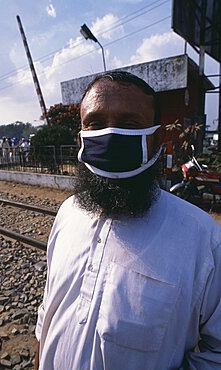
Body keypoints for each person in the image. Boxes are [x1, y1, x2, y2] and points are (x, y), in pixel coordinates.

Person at [35, 71, 221, 370]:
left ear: (157, 138)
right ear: (81, 135)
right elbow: (48, 314)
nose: (110, 136)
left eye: (129, 124)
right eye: (95, 123)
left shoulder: (203, 239)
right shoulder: (67, 213)